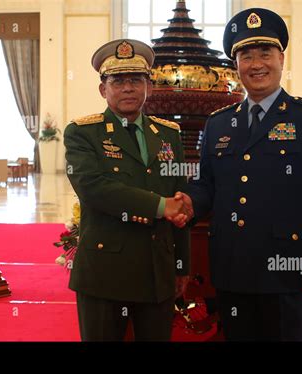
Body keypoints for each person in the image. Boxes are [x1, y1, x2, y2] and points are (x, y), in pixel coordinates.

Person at [173, 8, 302, 341]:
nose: (256, 64)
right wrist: (188, 202)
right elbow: (208, 184)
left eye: (265, 53)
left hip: (288, 268)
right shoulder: (219, 122)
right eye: (246, 56)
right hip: (232, 265)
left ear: (281, 57)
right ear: (236, 66)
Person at [64, 39, 191, 341]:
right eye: (118, 81)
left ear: (149, 86)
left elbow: (180, 201)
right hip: (105, 273)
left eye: (136, 80)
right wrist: (160, 206)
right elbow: (94, 188)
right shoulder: (83, 133)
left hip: (157, 272)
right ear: (102, 89)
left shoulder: (168, 135)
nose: (128, 88)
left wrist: (181, 264)